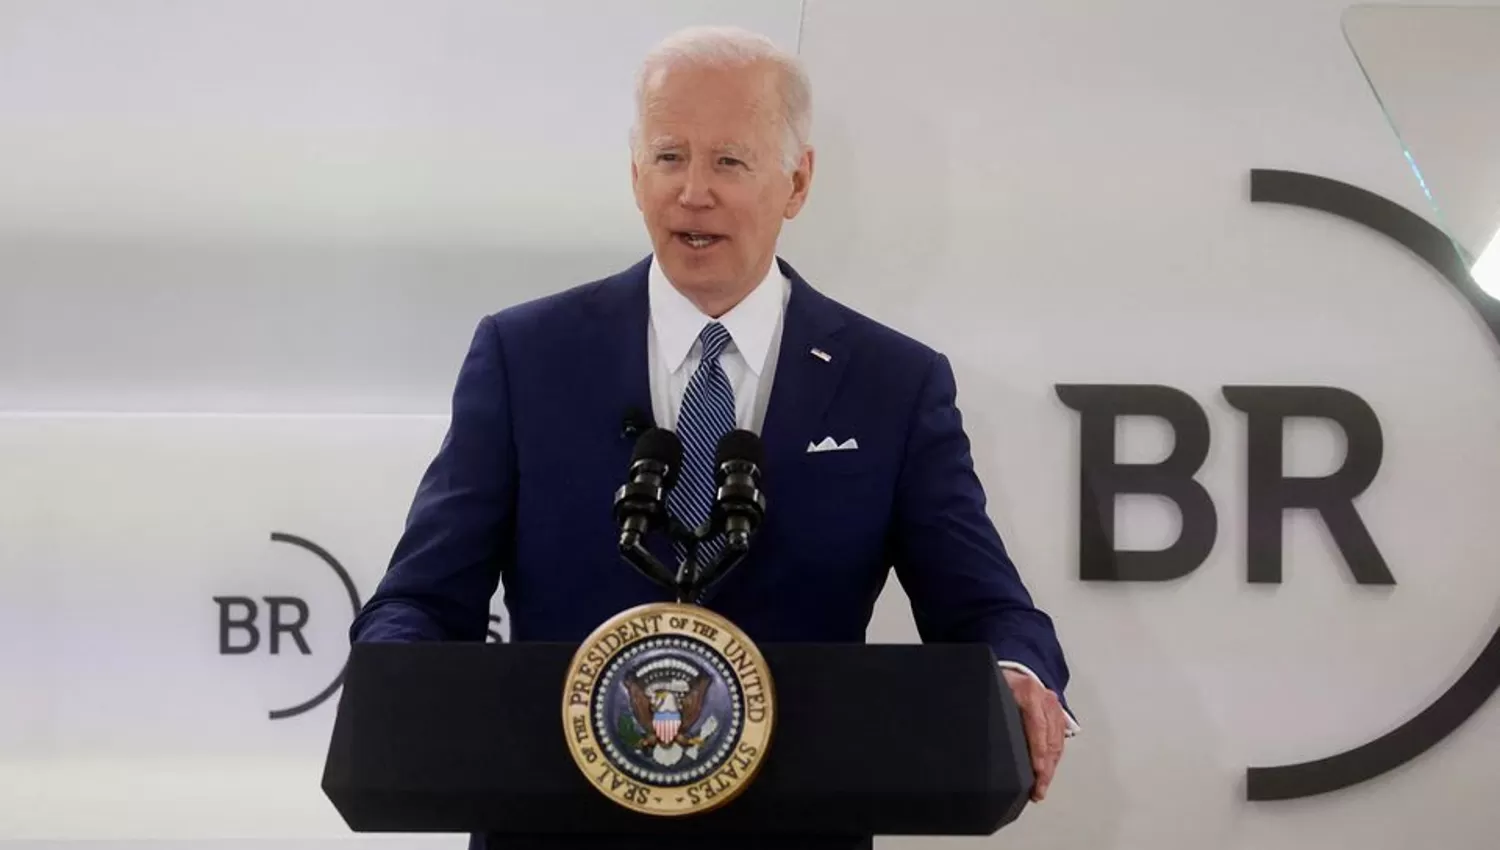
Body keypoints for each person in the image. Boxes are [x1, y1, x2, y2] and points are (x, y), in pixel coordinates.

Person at [350, 23, 1077, 820]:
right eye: (669, 157)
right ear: (634, 173)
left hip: (795, 826)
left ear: (798, 183)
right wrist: (396, 681)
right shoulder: (524, 356)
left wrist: (1019, 673)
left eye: (729, 161)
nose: (693, 191)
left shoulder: (892, 383)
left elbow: (985, 607)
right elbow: (419, 597)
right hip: (556, 826)